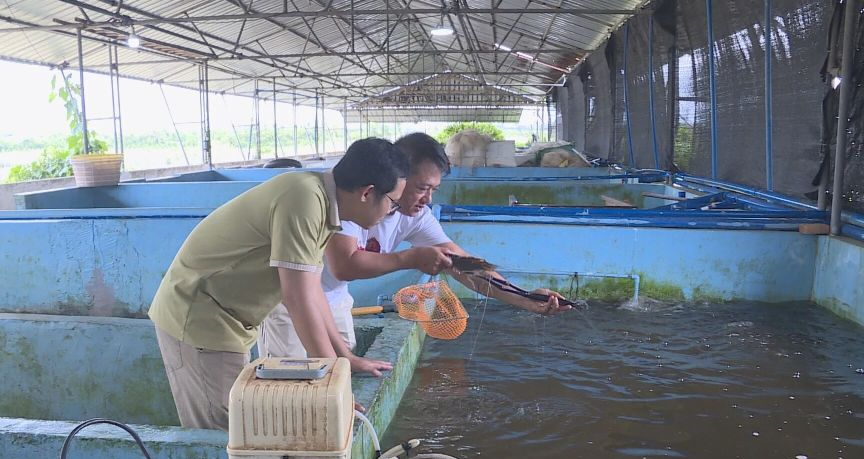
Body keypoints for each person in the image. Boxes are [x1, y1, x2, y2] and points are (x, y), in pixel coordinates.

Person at [148, 138, 409, 431]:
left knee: (241, 427)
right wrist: (333, 388)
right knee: (225, 430)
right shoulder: (304, 200)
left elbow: (312, 291)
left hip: (225, 321)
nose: (392, 212)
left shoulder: (320, 204)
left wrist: (344, 358)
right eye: (393, 203)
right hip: (200, 318)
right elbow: (297, 299)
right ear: (367, 193)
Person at [258, 132, 570, 359]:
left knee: (339, 376)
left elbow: (461, 263)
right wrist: (411, 258)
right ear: (398, 176)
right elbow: (345, 264)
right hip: (291, 300)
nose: (428, 199)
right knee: (293, 385)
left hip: (334, 300)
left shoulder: (415, 215)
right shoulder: (353, 199)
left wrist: (525, 297)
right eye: (422, 188)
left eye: (434, 189)